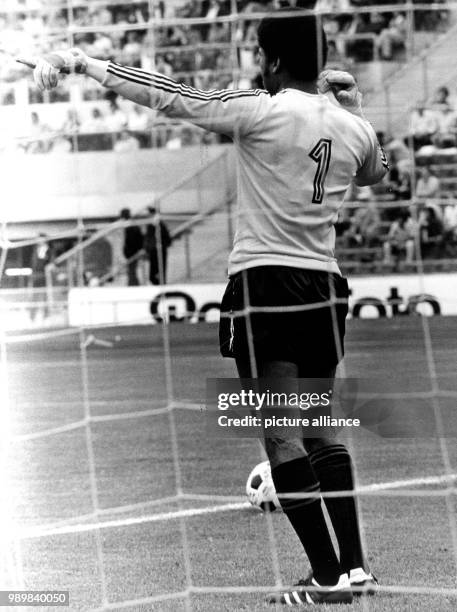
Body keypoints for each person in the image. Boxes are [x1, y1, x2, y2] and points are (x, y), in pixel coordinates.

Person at [30, 10, 387, 604]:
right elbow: (375, 172)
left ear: (273, 61)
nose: (256, 62)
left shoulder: (260, 109)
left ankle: (327, 578)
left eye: (258, 53)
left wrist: (89, 64)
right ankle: (355, 569)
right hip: (325, 287)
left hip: (266, 284)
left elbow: (173, 97)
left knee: (279, 434)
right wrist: (352, 107)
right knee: (324, 427)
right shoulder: (355, 129)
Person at [144, 207, 171, 285]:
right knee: (156, 276)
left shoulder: (157, 225)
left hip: (158, 251)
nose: (147, 216)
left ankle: (160, 289)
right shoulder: (154, 225)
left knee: (156, 275)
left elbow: (167, 239)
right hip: (155, 251)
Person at [120, 208, 143, 286]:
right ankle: (133, 284)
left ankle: (133, 285)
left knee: (132, 270)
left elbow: (132, 241)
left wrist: (129, 252)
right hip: (131, 252)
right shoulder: (130, 226)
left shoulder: (131, 226)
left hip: (132, 252)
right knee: (131, 270)